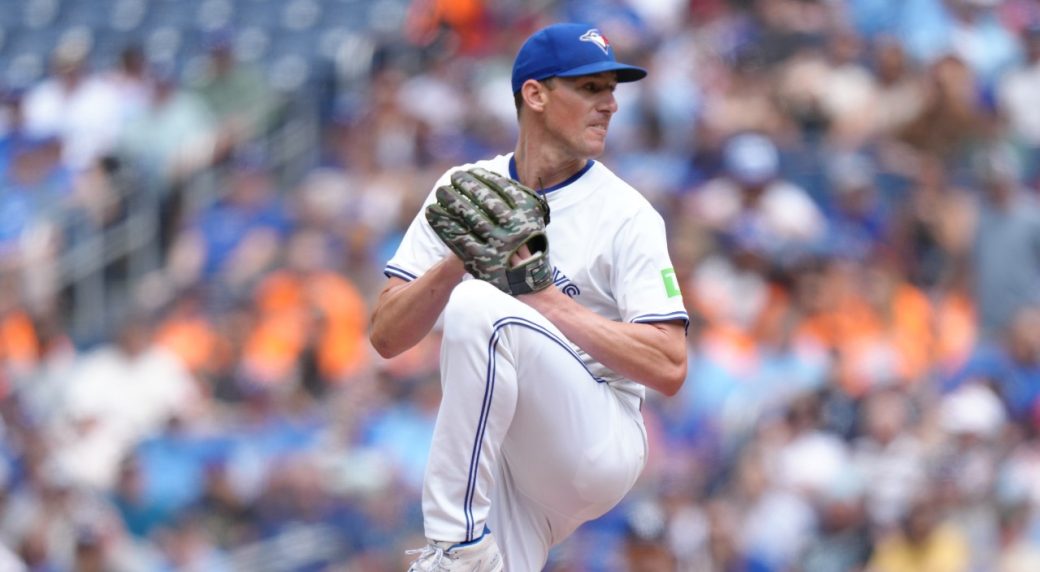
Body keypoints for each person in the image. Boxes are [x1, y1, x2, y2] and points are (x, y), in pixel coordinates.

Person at [369, 22, 689, 571]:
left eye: (611, 90)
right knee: (471, 299)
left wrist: (545, 299)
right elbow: (385, 336)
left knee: (479, 307)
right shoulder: (468, 189)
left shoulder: (627, 214)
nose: (610, 104)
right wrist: (456, 261)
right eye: (590, 88)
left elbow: (670, 365)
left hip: (598, 434)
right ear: (535, 94)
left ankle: (455, 545)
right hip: (511, 459)